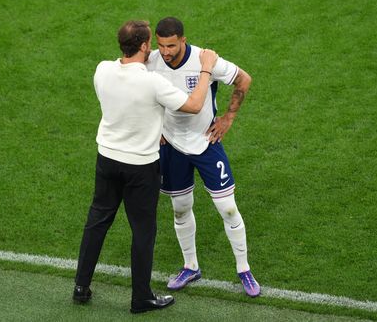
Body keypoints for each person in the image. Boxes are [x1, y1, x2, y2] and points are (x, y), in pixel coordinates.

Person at [73, 20, 218, 313]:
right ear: (142, 46)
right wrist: (206, 69)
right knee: (143, 231)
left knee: (97, 221)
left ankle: (80, 286)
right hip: (140, 167)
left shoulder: (102, 69)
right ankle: (141, 297)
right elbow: (193, 105)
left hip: (107, 159)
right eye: (150, 42)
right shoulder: (151, 82)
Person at [145, 17, 260, 297]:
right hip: (171, 146)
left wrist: (228, 118)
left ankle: (244, 269)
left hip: (207, 143)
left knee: (228, 209)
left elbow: (244, 79)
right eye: (161, 45)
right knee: (180, 207)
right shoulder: (151, 61)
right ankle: (190, 266)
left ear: (183, 40)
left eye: (171, 45)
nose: (166, 52)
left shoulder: (205, 60)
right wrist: (155, 127)